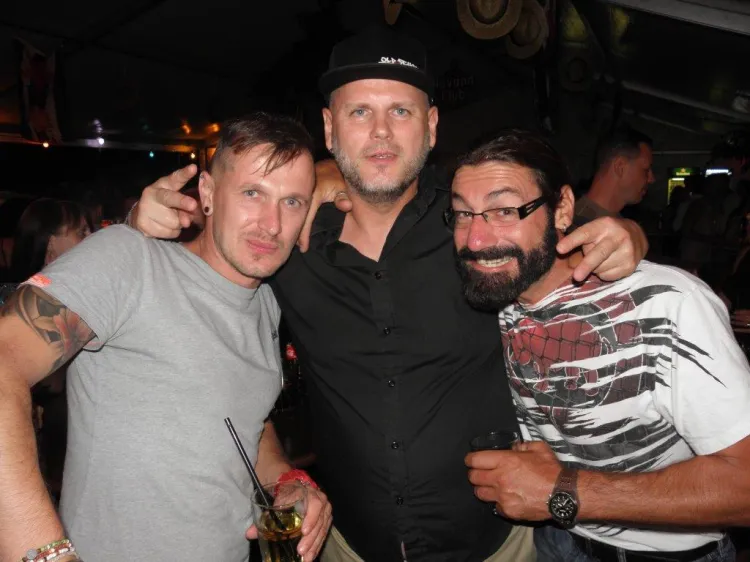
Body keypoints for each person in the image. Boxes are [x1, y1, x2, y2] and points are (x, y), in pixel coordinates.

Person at [130, 26, 648, 562]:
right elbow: (191, 278)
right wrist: (139, 225)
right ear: (329, 129)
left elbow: (575, 243)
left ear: (431, 126)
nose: (380, 132)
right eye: (359, 113)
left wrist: (630, 233)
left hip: (492, 544)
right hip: (349, 544)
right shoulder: (283, 238)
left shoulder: (478, 227)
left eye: (400, 111)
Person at [0, 113, 332, 562]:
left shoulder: (267, 304)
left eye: (292, 202)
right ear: (208, 193)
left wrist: (287, 480)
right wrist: (46, 554)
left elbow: (244, 420)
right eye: (252, 193)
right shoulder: (131, 260)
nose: (271, 224)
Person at [455, 130, 749, 562]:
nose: (475, 240)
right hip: (554, 543)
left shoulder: (668, 302)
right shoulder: (496, 298)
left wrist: (561, 491)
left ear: (563, 209)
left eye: (504, 210)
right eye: (463, 214)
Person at [574, 128, 654, 227]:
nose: (651, 179)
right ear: (620, 167)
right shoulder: (574, 226)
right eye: (646, 170)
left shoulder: (622, 223)